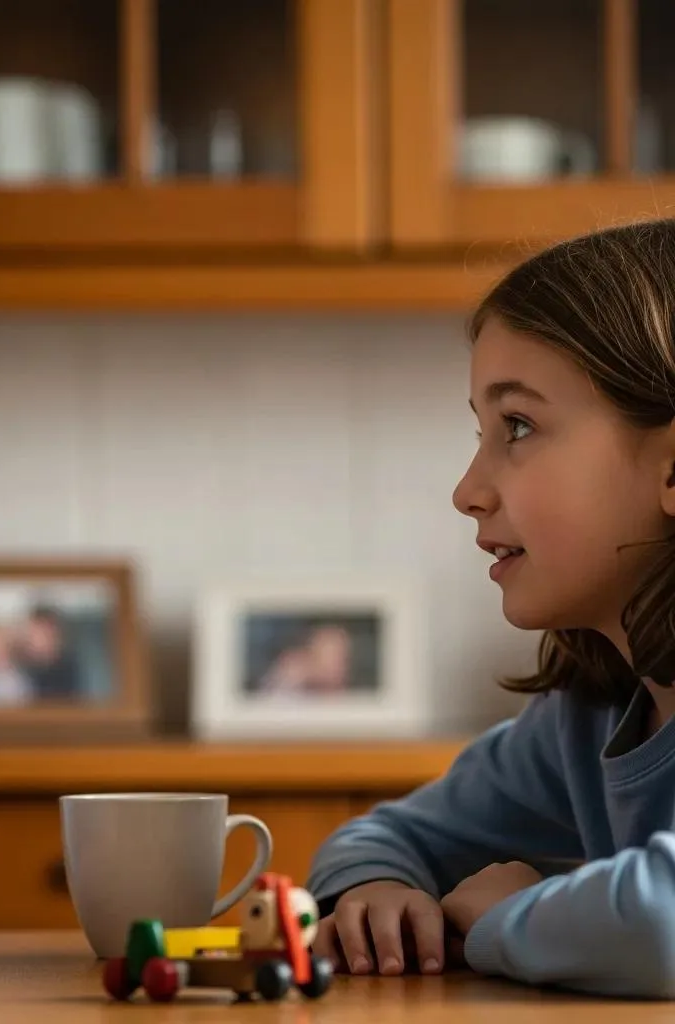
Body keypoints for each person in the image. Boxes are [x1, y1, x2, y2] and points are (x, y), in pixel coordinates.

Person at [307, 218, 675, 999]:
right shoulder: (592, 713)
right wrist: (375, 894)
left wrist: (508, 917)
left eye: (518, 427)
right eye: (481, 432)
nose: (467, 491)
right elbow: (388, 835)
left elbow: (665, 923)